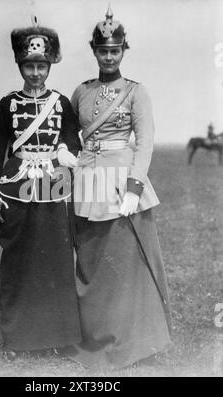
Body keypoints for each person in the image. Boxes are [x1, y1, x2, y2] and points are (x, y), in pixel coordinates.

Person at [64, 6, 173, 369]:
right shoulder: (81, 91)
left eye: (115, 50)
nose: (109, 56)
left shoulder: (136, 92)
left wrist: (133, 188)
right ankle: (94, 335)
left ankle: (133, 341)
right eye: (102, 50)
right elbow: (71, 138)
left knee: (125, 267)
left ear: (124, 50)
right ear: (93, 50)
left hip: (122, 183)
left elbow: (144, 143)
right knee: (92, 263)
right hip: (88, 183)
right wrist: (67, 157)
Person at [0, 20, 81, 358]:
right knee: (18, 261)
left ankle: (59, 336)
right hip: (16, 187)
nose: (36, 72)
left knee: (55, 260)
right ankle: (18, 338)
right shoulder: (6, 103)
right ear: (20, 65)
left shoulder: (62, 103)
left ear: (50, 65)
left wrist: (66, 155)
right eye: (29, 65)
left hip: (54, 186)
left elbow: (72, 144)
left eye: (42, 65)